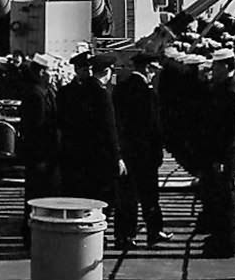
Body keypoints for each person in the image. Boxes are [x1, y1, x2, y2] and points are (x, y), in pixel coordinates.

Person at [113, 52, 172, 249]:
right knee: (149, 195)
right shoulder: (148, 94)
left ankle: (124, 236)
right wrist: (158, 153)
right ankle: (154, 231)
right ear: (148, 69)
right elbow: (155, 127)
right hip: (145, 154)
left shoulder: (120, 89)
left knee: (127, 196)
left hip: (127, 151)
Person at [57, 53, 124, 215]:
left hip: (79, 152)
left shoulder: (82, 90)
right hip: (94, 153)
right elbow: (108, 127)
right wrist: (117, 156)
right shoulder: (99, 93)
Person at [203, 49, 235, 257]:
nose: (213, 70)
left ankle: (227, 245)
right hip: (219, 154)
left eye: (216, 67)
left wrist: (221, 158)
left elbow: (232, 130)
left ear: (227, 67)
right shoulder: (223, 89)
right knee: (219, 199)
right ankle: (219, 239)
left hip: (225, 156)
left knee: (226, 201)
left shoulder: (231, 92)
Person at [19, 53, 60, 246]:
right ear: (42, 72)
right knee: (36, 195)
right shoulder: (35, 95)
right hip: (40, 154)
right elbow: (37, 127)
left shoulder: (45, 91)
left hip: (46, 154)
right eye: (50, 70)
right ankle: (31, 235)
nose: (52, 74)